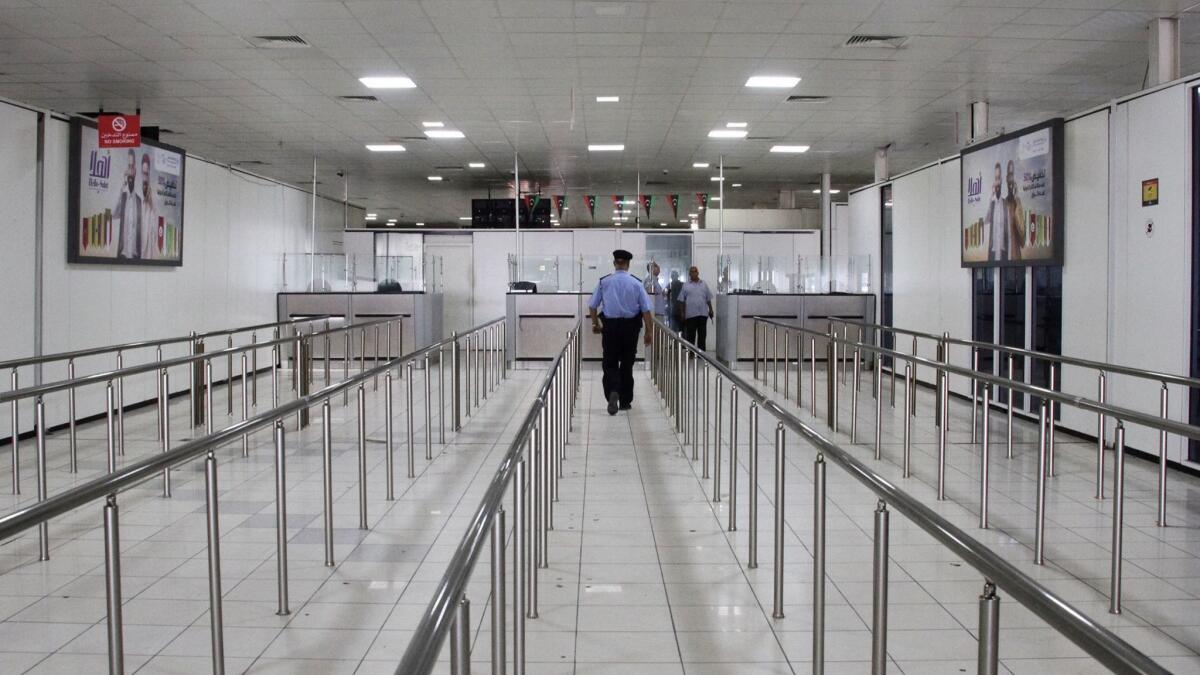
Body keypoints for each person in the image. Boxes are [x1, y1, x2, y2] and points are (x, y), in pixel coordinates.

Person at [588, 249, 653, 415]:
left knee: (610, 362)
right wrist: (648, 332)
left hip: (610, 328)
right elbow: (646, 310)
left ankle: (613, 391)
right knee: (627, 363)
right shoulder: (637, 283)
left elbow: (593, 305)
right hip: (631, 329)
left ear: (614, 263)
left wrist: (596, 323)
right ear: (628, 264)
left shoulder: (604, 282)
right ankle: (624, 401)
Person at [677, 266, 714, 350]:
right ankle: (691, 352)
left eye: (695, 271)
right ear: (689, 274)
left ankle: (702, 354)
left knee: (702, 335)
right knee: (691, 335)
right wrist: (682, 313)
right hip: (691, 315)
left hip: (703, 314)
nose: (693, 273)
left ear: (698, 273)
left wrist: (711, 310)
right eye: (691, 272)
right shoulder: (686, 285)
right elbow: (681, 300)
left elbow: (708, 298)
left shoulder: (704, 284)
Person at [114, 148, 142, 259]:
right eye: (128, 167)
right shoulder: (123, 197)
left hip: (136, 256)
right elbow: (114, 214)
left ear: (135, 170)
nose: (130, 171)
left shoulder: (139, 201)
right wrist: (122, 188)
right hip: (123, 255)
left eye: (132, 167)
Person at [985, 161, 1007, 263]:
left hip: (1004, 253)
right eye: (995, 179)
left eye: (999, 178)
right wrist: (991, 194)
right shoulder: (992, 204)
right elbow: (985, 220)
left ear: (1002, 180)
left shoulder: (1005, 203)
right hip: (993, 252)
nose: (997, 182)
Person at [1004, 159, 1026, 259]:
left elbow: (1022, 234)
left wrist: (1017, 201)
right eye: (1009, 182)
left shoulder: (1018, 202)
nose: (1011, 185)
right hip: (1005, 254)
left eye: (1012, 182)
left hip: (1016, 253)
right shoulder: (1003, 203)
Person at [139, 153, 159, 260]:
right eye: (143, 173)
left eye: (146, 173)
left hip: (149, 249)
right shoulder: (138, 194)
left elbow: (154, 225)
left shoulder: (152, 197)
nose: (145, 176)